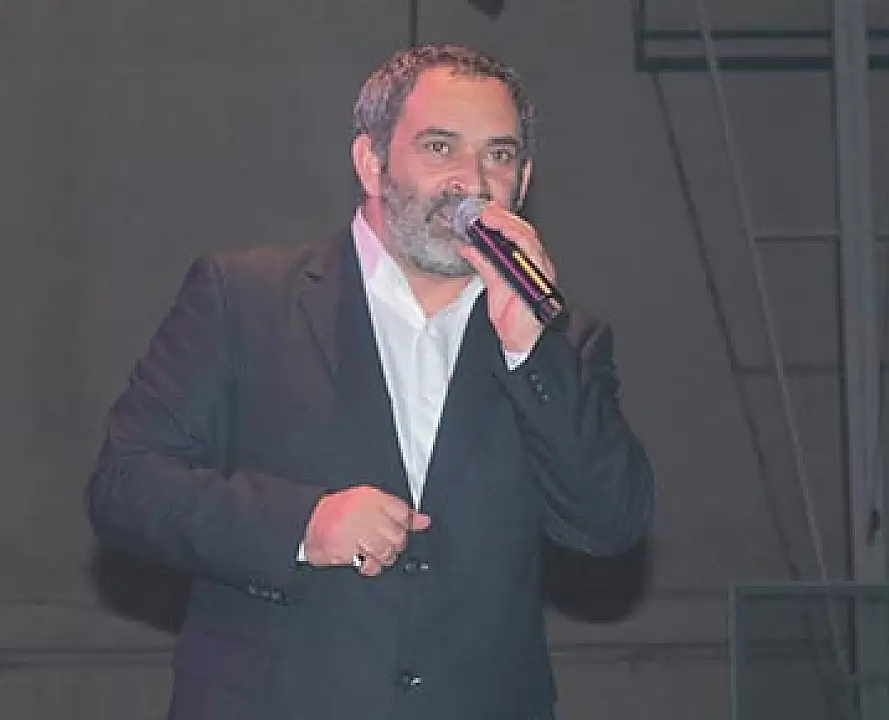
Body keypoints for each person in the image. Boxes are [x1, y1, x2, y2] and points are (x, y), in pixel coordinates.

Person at [86, 43, 654, 720]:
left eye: (499, 155)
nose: (471, 181)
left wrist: (531, 350)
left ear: (524, 179)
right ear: (371, 162)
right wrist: (301, 525)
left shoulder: (562, 342)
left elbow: (608, 524)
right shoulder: (245, 300)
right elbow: (127, 485)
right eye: (440, 147)